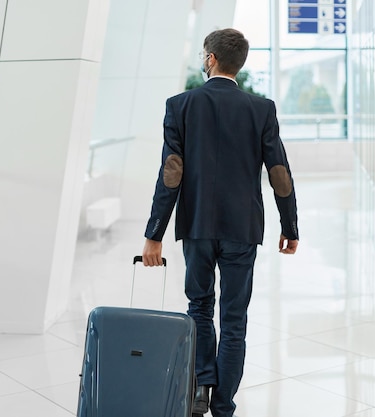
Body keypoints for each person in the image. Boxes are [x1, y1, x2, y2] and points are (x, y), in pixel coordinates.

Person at [141, 28, 299, 417]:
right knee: (234, 318)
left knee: (199, 307)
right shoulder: (261, 110)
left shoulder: (180, 105)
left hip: (196, 225)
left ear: (210, 59)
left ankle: (200, 390)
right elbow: (279, 172)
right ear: (238, 63)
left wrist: (154, 234)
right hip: (242, 228)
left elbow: (171, 173)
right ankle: (224, 404)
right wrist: (289, 225)